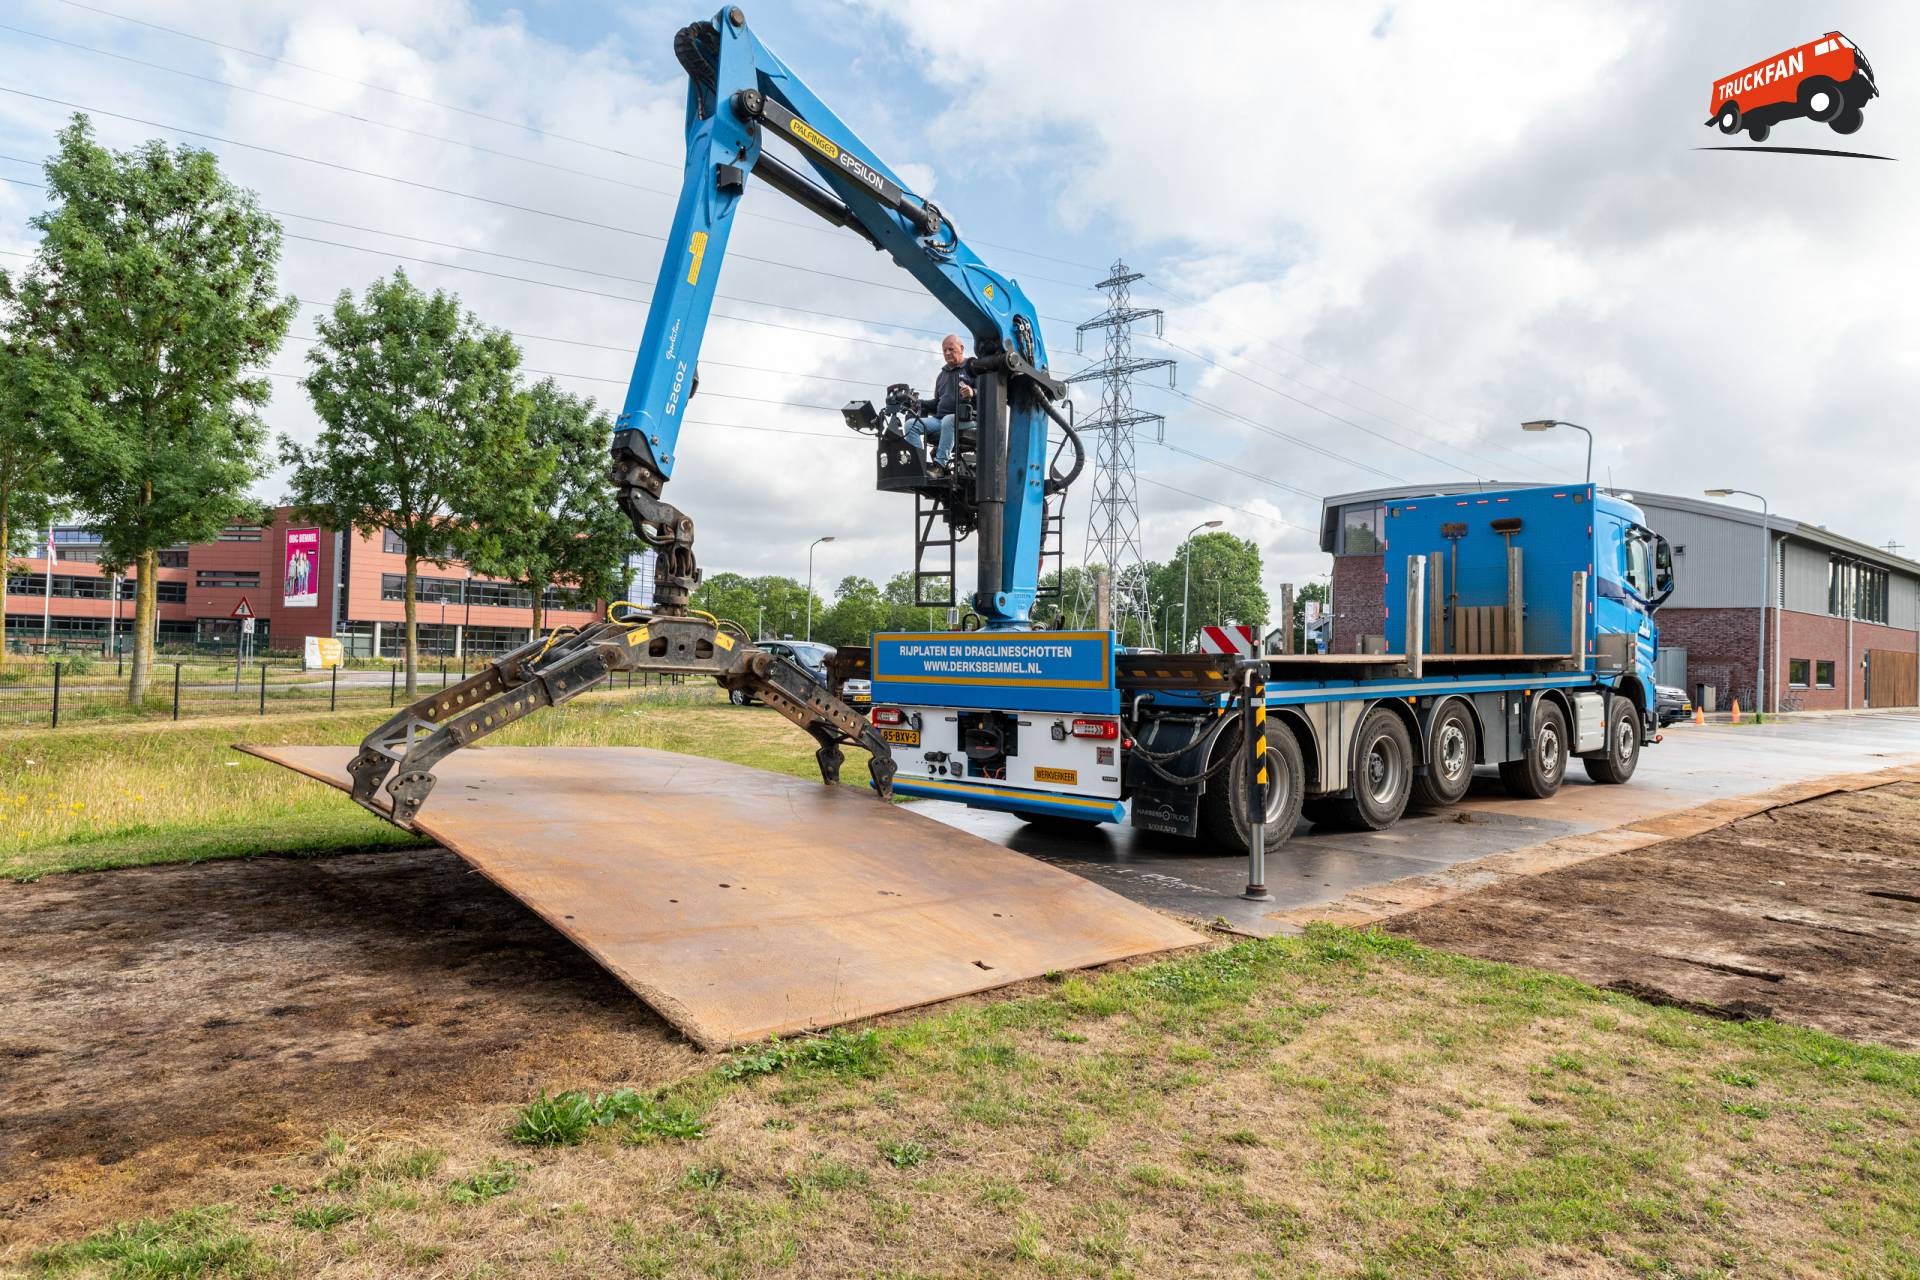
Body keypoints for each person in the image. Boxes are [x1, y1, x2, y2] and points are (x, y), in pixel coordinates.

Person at [902, 334, 973, 473]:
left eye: (951, 349)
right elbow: (937, 403)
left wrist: (972, 392)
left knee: (948, 420)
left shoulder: (972, 368)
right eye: (944, 350)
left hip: (969, 420)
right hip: (941, 420)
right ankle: (918, 466)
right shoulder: (942, 376)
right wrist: (918, 403)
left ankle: (939, 465)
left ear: (962, 348)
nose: (947, 353)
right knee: (911, 425)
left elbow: (985, 393)